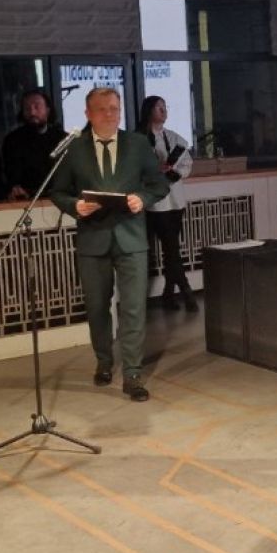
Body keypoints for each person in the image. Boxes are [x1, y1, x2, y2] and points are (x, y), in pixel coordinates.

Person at [50, 88, 169, 402]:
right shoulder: (74, 148)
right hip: (92, 239)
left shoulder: (137, 143)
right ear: (88, 114)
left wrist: (142, 198)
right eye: (102, 109)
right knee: (97, 307)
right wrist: (75, 206)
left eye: (115, 108)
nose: (110, 114)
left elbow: (158, 184)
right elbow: (57, 191)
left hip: (131, 238)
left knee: (133, 307)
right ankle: (104, 361)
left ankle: (132, 373)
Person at [136, 95, 197, 312]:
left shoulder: (173, 137)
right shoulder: (139, 139)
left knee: (173, 249)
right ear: (148, 110)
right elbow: (135, 169)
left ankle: (169, 293)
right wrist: (156, 171)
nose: (163, 111)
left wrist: (174, 172)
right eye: (158, 107)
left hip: (176, 200)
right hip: (155, 204)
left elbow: (187, 163)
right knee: (171, 248)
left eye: (165, 107)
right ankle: (186, 291)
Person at [3, 89, 68, 201]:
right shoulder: (12, 140)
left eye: (37, 107)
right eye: (27, 108)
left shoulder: (62, 138)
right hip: (25, 200)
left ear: (47, 110)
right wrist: (15, 188)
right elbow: (11, 175)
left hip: (60, 199)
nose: (32, 112)